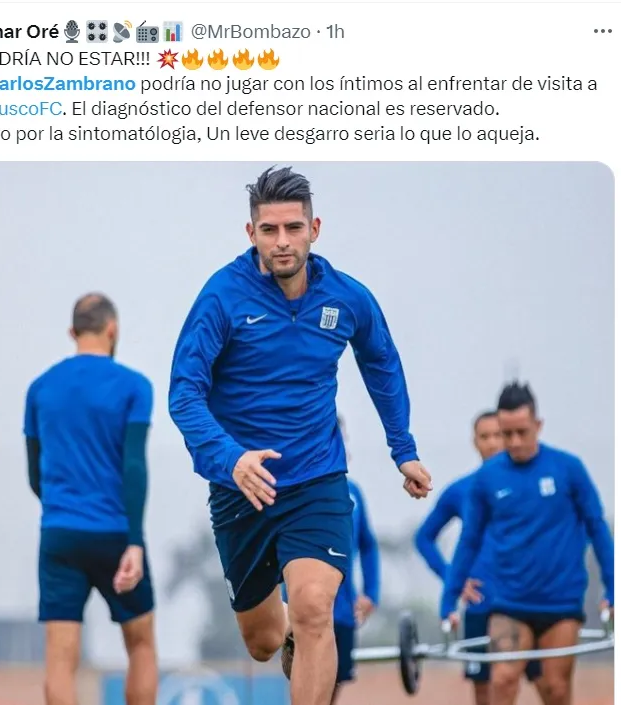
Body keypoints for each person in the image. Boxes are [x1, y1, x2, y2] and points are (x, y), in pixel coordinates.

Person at [168, 166, 432, 705]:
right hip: (243, 487)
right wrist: (230, 458)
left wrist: (402, 449)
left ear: (315, 228)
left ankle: (303, 628)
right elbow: (184, 393)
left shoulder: (347, 298)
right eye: (269, 230)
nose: (282, 241)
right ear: (252, 234)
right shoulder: (222, 297)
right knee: (263, 641)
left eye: (293, 227)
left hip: (317, 479)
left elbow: (381, 362)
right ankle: (283, 624)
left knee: (316, 609)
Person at [441, 382, 614, 705]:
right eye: (507, 434)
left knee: (555, 689)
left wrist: (613, 586)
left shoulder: (568, 469)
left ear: (538, 425)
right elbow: (469, 541)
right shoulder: (487, 478)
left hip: (560, 602)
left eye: (522, 432)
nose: (514, 442)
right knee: (502, 680)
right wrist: (449, 598)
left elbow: (597, 528)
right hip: (508, 601)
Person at [23, 293, 158, 705]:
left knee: (60, 658)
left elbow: (35, 475)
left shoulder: (40, 389)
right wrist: (134, 541)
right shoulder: (135, 387)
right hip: (115, 533)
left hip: (59, 534)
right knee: (140, 644)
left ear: (72, 332)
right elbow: (133, 466)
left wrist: (63, 508)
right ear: (112, 329)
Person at [415, 411, 543, 705]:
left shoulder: (533, 483)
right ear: (475, 442)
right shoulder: (462, 489)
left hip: (528, 601)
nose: (493, 443)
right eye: (485, 436)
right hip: (481, 605)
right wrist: (454, 580)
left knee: (547, 683)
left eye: (499, 435)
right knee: (484, 690)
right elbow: (424, 538)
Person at [281, 416, 381, 704]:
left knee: (330, 691)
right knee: (304, 686)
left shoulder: (353, 492)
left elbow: (368, 545)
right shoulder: (289, 491)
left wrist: (371, 593)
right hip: (301, 612)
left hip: (343, 613)